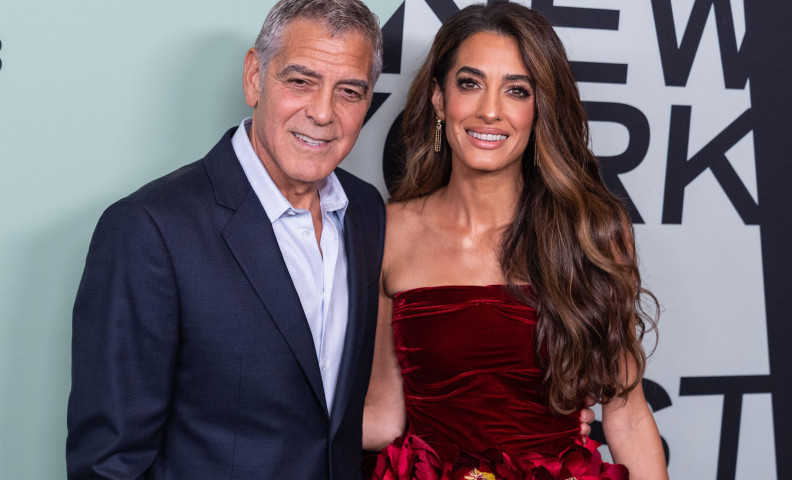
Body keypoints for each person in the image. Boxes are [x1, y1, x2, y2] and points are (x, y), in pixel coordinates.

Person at [66, 0, 385, 478]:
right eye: (300, 81)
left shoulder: (366, 210)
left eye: (349, 91)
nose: (323, 112)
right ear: (255, 76)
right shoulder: (148, 229)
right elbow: (108, 462)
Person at [362, 3, 668, 479]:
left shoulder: (591, 233)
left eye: (516, 90)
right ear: (439, 99)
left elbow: (627, 416)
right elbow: (382, 416)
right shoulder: (387, 231)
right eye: (470, 83)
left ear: (539, 108)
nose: (490, 110)